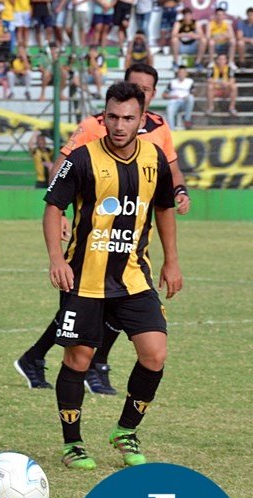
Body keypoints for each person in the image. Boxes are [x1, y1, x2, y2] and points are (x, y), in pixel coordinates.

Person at [14, 63, 189, 394]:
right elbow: (64, 168)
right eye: (134, 85)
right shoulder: (96, 127)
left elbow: (170, 169)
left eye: (145, 89)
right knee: (85, 312)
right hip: (92, 245)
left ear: (151, 95)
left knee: (119, 309)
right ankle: (74, 365)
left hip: (130, 245)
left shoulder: (159, 129)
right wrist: (60, 211)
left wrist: (179, 190)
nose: (120, 124)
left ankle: (62, 361)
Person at [43, 80, 181, 470]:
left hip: (134, 276)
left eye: (128, 118)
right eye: (113, 117)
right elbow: (53, 207)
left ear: (142, 119)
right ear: (103, 117)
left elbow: (164, 209)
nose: (120, 125)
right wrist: (56, 259)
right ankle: (73, 443)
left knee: (154, 353)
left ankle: (126, 431)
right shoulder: (82, 159)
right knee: (79, 358)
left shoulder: (154, 158)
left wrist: (172, 261)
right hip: (84, 278)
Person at [163, 64, 194, 129]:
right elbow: (164, 95)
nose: (181, 74)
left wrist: (186, 96)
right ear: (177, 73)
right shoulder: (172, 82)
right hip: (174, 102)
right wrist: (172, 97)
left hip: (185, 102)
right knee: (169, 109)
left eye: (183, 72)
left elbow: (193, 94)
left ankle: (187, 120)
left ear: (186, 73)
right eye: (180, 72)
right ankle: (172, 129)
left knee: (191, 98)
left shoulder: (190, 82)